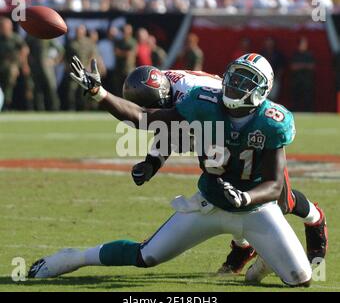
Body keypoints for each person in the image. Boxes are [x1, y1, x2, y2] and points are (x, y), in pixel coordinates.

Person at [29, 54, 313, 287]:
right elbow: (149, 119)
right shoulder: (203, 101)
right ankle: (74, 257)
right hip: (209, 204)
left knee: (301, 278)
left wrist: (245, 198)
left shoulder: (272, 121)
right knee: (147, 256)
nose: (236, 85)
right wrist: (99, 93)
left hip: (256, 211)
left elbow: (275, 185)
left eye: (245, 82)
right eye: (235, 77)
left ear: (262, 91)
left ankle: (264, 259)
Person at [123, 64, 327, 274]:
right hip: (220, 129)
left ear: (164, 93)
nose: (155, 111)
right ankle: (243, 247)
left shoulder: (191, 95)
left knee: (281, 201)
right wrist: (151, 162)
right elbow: (170, 127)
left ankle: (314, 217)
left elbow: (173, 126)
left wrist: (152, 160)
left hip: (243, 119)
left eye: (155, 106)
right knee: (225, 185)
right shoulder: (169, 90)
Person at [26, 36, 64, 111]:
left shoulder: (48, 36)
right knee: (37, 89)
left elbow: (61, 50)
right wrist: (28, 62)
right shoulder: (31, 37)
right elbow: (25, 49)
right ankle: (39, 109)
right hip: (35, 68)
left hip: (47, 68)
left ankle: (54, 108)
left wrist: (54, 61)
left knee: (51, 88)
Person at [0, 17, 30, 110]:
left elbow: (25, 50)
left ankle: (7, 105)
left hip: (11, 66)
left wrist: (21, 64)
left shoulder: (15, 38)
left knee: (9, 85)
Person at [290, 37, 315, 112]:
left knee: (308, 98)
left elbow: (312, 66)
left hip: (307, 81)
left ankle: (309, 112)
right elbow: (293, 66)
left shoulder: (309, 54)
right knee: (296, 98)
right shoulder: (295, 54)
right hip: (297, 80)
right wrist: (304, 66)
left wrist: (300, 66)